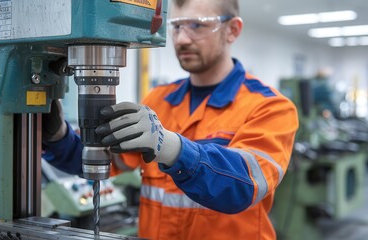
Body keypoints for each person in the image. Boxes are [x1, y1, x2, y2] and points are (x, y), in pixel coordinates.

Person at [42, 0, 299, 239]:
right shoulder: (158, 99)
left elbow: (241, 187)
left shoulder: (271, 107)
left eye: (197, 25)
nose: (182, 39)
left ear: (232, 30)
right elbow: (103, 160)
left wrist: (172, 148)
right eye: (176, 27)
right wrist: (59, 137)